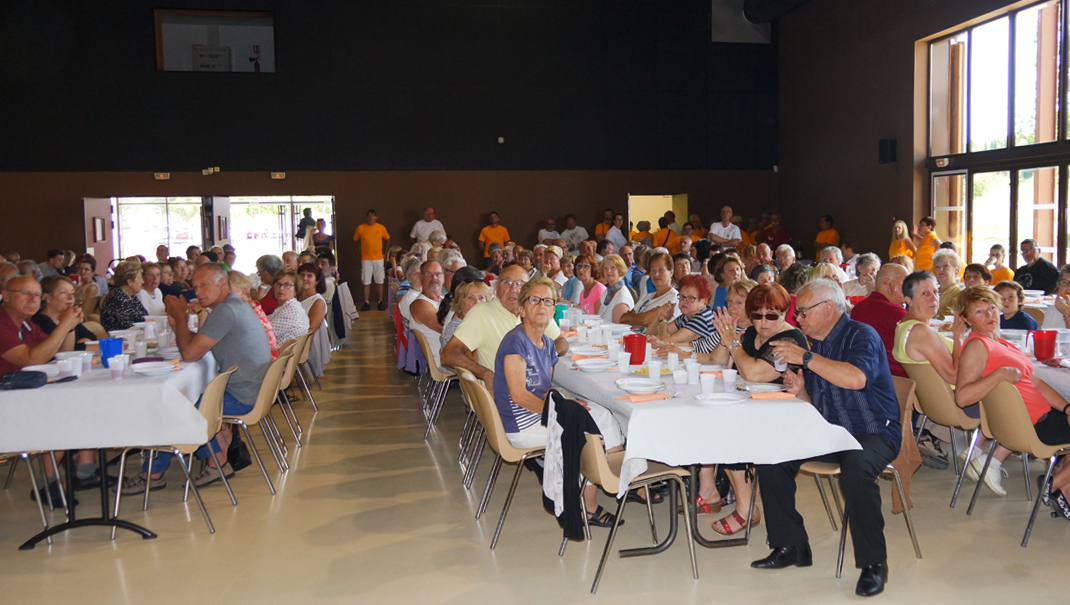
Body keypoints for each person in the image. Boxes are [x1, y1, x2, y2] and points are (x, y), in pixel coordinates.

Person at [755, 279, 902, 597]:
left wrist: (805, 358)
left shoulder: (861, 335)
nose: (798, 319)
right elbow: (816, 408)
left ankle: (873, 564)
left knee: (856, 471)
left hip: (872, 431)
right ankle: (791, 545)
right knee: (771, 457)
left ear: (829, 309)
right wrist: (801, 391)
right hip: (832, 432)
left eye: (803, 311)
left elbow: (856, 379)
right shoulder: (815, 344)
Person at [122, 263, 273, 493]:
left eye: (204, 285)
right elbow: (200, 342)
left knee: (171, 405)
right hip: (253, 388)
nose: (198, 292)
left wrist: (180, 318)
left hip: (243, 395)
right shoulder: (232, 306)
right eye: (195, 286)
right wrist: (178, 326)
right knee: (180, 397)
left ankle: (163, 472)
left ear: (223, 284)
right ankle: (217, 458)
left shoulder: (226, 311)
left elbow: (190, 353)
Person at [492, 277, 625, 526]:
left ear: (554, 309)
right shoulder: (515, 343)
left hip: (536, 415)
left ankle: (609, 474)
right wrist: (565, 410)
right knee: (590, 434)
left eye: (548, 301)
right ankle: (591, 500)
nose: (542, 305)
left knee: (603, 413)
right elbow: (519, 396)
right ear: (521, 308)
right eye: (534, 300)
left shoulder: (547, 344)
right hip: (522, 425)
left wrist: (569, 404)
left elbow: (545, 390)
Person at [707, 282, 806, 532]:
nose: (763, 321)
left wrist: (733, 343)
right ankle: (726, 494)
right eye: (757, 315)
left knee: (729, 431)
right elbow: (717, 362)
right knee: (714, 423)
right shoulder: (752, 333)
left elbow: (753, 373)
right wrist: (727, 336)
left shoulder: (789, 339)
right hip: (754, 409)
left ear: (784, 314)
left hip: (787, 415)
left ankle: (745, 509)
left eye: (771, 315)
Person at [955, 286, 1070, 497]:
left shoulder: (999, 342)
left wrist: (1066, 407)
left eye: (991, 307)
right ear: (966, 319)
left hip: (1037, 420)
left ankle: (1062, 488)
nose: (989, 315)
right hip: (1035, 425)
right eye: (979, 312)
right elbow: (962, 398)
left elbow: (1036, 382)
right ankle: (1052, 485)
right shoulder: (977, 346)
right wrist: (998, 375)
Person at [442, 265, 566, 384]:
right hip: (505, 397)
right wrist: (485, 374)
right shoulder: (482, 312)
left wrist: (545, 356)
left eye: (520, 284)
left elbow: (561, 341)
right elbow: (448, 354)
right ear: (497, 287)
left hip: (534, 386)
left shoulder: (536, 310)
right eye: (507, 282)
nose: (513, 289)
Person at [650, 274, 716, 353]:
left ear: (703, 301)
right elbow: (656, 334)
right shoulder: (686, 316)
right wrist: (655, 338)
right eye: (682, 297)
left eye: (690, 298)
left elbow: (666, 341)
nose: (684, 301)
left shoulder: (702, 318)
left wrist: (662, 320)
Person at [32, 275, 94, 350]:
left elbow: (92, 337)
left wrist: (83, 342)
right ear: (46, 297)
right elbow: (59, 351)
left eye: (72, 293)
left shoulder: (69, 317)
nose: (70, 297)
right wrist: (82, 345)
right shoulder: (39, 322)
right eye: (63, 292)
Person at [621, 251, 677, 331]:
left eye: (661, 270)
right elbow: (623, 319)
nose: (656, 274)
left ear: (671, 272)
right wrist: (646, 317)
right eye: (653, 270)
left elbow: (647, 323)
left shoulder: (674, 298)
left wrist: (632, 319)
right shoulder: (648, 296)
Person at [229, 271, 279, 359]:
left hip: (262, 366)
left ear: (243, 291)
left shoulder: (241, 310)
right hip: (269, 362)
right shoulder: (252, 306)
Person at [439, 279, 490, 361]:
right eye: (470, 298)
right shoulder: (457, 327)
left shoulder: (476, 321)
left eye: (481, 298)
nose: (477, 302)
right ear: (460, 302)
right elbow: (475, 360)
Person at [409, 260, 446, 370]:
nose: (434, 278)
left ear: (443, 277)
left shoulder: (443, 300)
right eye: (428, 274)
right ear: (421, 277)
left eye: (438, 274)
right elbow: (447, 330)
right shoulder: (420, 305)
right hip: (444, 361)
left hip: (455, 354)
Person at [298, 263, 332, 377]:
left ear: (317, 281)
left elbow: (310, 329)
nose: (304, 278)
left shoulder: (318, 302)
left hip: (303, 344)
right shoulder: (294, 297)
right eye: (302, 275)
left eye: (309, 276)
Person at [100, 261, 147, 331]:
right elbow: (127, 326)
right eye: (140, 278)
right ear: (130, 282)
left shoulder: (132, 296)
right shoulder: (117, 299)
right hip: (121, 339)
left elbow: (145, 316)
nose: (143, 282)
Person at [267, 269, 309, 348]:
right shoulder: (285, 307)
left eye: (287, 285)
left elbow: (265, 334)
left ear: (296, 290)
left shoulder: (292, 310)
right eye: (278, 284)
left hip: (278, 358)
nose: (281, 288)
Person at [596, 254, 634, 323]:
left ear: (620, 270)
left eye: (613, 268)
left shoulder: (622, 297)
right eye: (606, 268)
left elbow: (619, 329)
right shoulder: (606, 293)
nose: (608, 271)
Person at [931, 248, 963, 320]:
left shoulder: (960, 294)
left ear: (956, 269)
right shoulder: (932, 291)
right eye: (937, 267)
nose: (941, 269)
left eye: (946, 266)